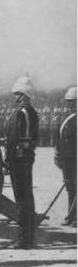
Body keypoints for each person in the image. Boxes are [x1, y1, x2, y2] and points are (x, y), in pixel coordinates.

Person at [5, 76, 39, 249]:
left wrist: (7, 159)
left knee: (22, 199)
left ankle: (24, 240)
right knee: (26, 197)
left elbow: (17, 139)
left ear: (24, 95)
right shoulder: (29, 112)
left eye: (17, 94)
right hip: (25, 158)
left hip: (19, 159)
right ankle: (28, 238)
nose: (14, 97)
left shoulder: (22, 112)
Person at [54, 87, 76, 227]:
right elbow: (58, 138)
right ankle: (72, 215)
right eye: (68, 102)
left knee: (75, 187)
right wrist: (57, 155)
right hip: (66, 159)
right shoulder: (65, 118)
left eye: (73, 102)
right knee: (70, 188)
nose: (70, 105)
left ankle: (73, 217)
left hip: (75, 159)